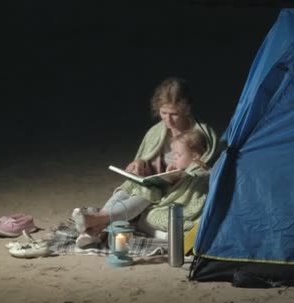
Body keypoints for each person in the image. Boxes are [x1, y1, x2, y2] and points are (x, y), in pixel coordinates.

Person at [73, 78, 221, 247]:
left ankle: (95, 221)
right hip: (156, 182)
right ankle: (94, 230)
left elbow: (210, 166)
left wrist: (183, 175)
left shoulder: (202, 133)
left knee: (147, 192)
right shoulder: (157, 131)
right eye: (163, 113)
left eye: (174, 114)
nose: (168, 120)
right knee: (131, 186)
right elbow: (147, 156)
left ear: (186, 110)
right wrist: (140, 163)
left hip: (182, 189)